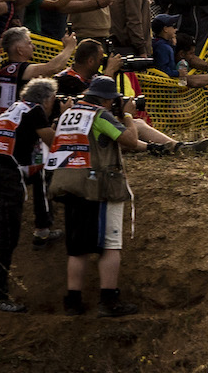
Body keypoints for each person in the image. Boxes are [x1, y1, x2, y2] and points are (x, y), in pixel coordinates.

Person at [46, 75, 146, 317]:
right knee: (110, 245)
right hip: (97, 188)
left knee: (77, 249)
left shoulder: (67, 115)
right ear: (106, 99)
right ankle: (108, 301)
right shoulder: (100, 115)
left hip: (68, 183)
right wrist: (129, 116)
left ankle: (73, 302)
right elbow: (130, 141)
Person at [0, 77, 58, 312]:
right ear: (45, 99)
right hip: (8, 174)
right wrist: (62, 118)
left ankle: (43, 228)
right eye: (53, 101)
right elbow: (53, 142)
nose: (52, 106)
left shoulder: (13, 109)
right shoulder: (35, 110)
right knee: (8, 238)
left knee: (41, 173)